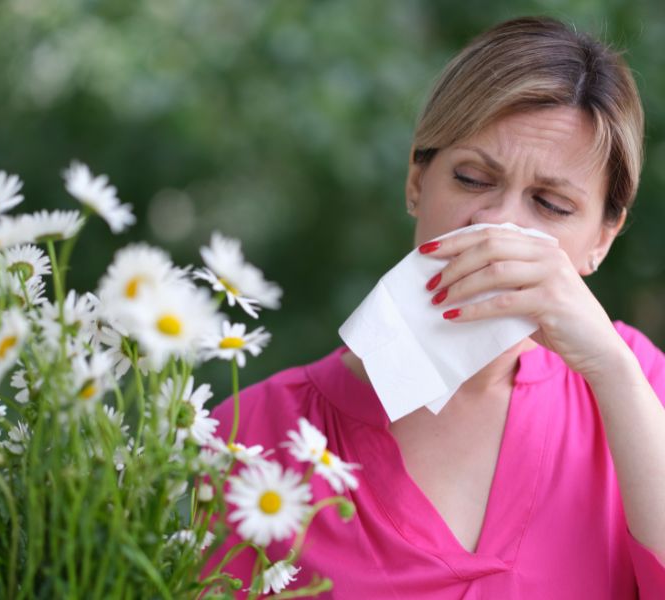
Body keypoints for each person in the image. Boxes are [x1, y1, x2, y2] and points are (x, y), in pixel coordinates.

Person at [210, 16, 665, 598]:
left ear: (602, 238)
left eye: (551, 205)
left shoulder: (637, 386)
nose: (498, 222)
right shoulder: (250, 435)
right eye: (472, 179)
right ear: (416, 181)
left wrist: (612, 371)